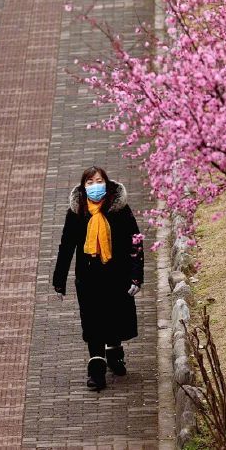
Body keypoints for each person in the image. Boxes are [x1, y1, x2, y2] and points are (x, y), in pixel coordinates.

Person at [53, 166, 144, 391]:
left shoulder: (120, 210)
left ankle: (114, 355)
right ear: (84, 188)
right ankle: (96, 370)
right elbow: (66, 247)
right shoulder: (77, 212)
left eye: (99, 181)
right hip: (88, 278)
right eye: (90, 183)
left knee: (114, 317)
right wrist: (59, 280)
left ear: (107, 182)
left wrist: (136, 276)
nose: (95, 186)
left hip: (117, 275)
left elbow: (136, 242)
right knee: (93, 322)